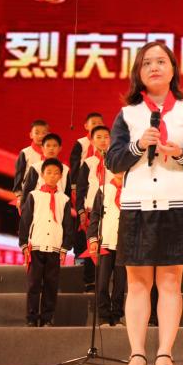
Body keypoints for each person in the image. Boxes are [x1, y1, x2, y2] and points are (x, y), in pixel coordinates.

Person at [107, 41, 183, 365]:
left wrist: (180, 153)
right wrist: (139, 145)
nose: (154, 67)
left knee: (170, 282)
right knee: (137, 283)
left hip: (175, 203)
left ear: (172, 70)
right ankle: (137, 354)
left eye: (161, 61)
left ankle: (165, 353)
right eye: (147, 63)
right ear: (138, 73)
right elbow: (113, 161)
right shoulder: (128, 114)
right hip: (137, 204)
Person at [18, 158, 75, 327]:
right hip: (36, 245)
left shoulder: (64, 199)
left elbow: (68, 225)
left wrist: (65, 247)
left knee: (51, 285)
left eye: (56, 173)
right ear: (42, 175)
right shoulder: (33, 196)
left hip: (54, 248)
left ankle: (47, 318)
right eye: (49, 172)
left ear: (61, 176)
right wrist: (23, 244)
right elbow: (25, 221)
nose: (52, 176)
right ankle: (31, 317)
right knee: (34, 284)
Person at [69, 111, 105, 292]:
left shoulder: (111, 154)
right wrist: (75, 190)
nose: (97, 125)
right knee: (83, 234)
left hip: (106, 203)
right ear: (86, 126)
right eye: (94, 123)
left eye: (100, 122)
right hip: (83, 196)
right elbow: (75, 167)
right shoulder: (81, 144)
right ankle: (82, 268)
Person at [75, 125, 111, 293]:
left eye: (106, 137)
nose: (103, 140)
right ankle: (90, 282)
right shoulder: (88, 163)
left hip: (112, 210)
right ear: (92, 140)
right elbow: (81, 189)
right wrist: (81, 211)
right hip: (92, 211)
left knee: (110, 248)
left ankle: (109, 283)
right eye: (99, 137)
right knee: (92, 246)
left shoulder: (116, 161)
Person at [88, 170, 127, 326]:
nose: (120, 171)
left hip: (124, 244)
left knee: (120, 283)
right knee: (102, 281)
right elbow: (95, 215)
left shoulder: (132, 189)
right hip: (105, 241)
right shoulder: (103, 189)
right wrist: (93, 238)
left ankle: (116, 315)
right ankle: (103, 316)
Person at [12, 120, 49, 207]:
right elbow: (19, 174)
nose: (40, 136)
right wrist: (19, 196)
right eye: (37, 133)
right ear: (31, 135)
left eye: (44, 133)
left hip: (46, 195)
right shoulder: (25, 153)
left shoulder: (50, 154)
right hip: (28, 194)